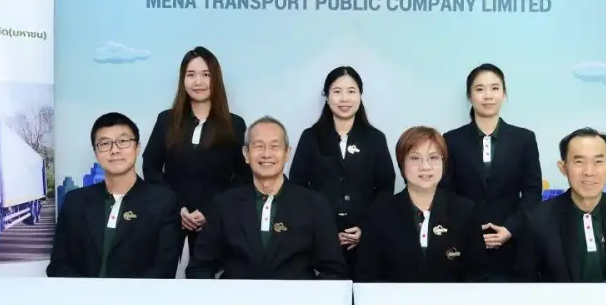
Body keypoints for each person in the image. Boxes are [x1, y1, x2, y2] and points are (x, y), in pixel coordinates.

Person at [185, 116, 348, 280]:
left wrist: (305, 296)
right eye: (258, 146)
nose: (266, 154)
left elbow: (334, 271)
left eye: (274, 146)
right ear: (246, 154)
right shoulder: (224, 204)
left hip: (295, 297)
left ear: (287, 153)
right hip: (237, 296)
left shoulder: (314, 204)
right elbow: (199, 268)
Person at [515, 127, 606, 283]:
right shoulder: (538, 218)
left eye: (598, 162)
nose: (589, 172)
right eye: (579, 162)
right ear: (563, 168)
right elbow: (524, 283)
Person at [47, 112, 181, 278]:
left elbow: (164, 270)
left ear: (137, 147)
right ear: (96, 152)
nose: (114, 150)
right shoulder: (75, 201)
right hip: (82, 294)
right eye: (105, 144)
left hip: (139, 295)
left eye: (123, 141)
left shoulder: (163, 202)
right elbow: (58, 265)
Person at [142, 46, 248, 257]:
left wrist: (211, 210)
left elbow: (243, 176)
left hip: (215, 219)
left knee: (205, 274)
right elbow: (150, 167)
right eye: (191, 75)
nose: (198, 82)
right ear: (183, 80)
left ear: (216, 79)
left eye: (205, 75)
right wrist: (177, 207)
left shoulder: (234, 124)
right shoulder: (166, 120)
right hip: (171, 215)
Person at [441, 63, 542, 281]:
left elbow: (533, 192)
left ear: (504, 94)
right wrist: (468, 230)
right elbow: (446, 192)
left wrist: (510, 228)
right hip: (464, 244)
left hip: (513, 244)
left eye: (495, 88)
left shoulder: (524, 139)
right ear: (469, 96)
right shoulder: (451, 140)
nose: (488, 95)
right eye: (480, 89)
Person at [289, 66, 395, 272]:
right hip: (318, 241)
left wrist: (366, 228)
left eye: (351, 91)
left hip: (365, 242)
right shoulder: (311, 137)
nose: (344, 98)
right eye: (337, 91)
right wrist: (319, 230)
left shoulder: (375, 138)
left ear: (360, 95)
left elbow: (385, 188)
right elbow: (297, 186)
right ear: (327, 97)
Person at [355, 126, 488, 283]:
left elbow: (477, 275)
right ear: (401, 164)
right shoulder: (379, 213)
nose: (425, 166)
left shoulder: (465, 211)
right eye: (415, 158)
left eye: (433, 158)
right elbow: (367, 276)